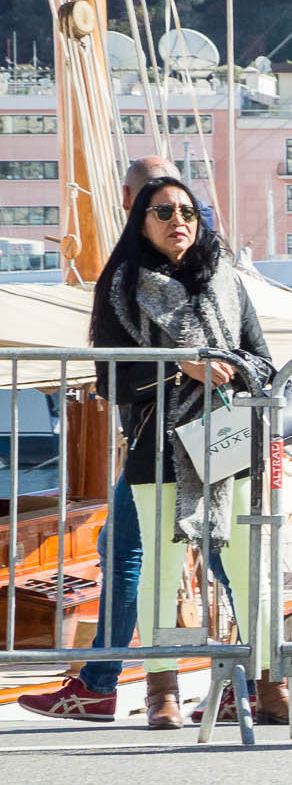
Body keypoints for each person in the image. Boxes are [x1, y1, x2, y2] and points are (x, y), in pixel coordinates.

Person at [85, 174, 279, 729]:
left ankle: (269, 686)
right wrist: (180, 363)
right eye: (164, 211)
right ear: (141, 221)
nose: (179, 222)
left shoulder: (226, 282)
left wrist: (229, 367)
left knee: (247, 571)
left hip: (226, 441)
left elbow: (264, 361)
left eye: (188, 212)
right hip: (157, 448)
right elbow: (110, 381)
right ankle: (161, 692)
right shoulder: (122, 285)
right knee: (161, 575)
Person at [22, 158, 183, 724]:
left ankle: (118, 687)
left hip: (173, 439)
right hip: (173, 438)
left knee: (171, 558)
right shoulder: (185, 264)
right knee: (158, 556)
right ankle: (246, 685)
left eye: (175, 209)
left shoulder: (151, 271)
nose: (169, 216)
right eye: (159, 208)